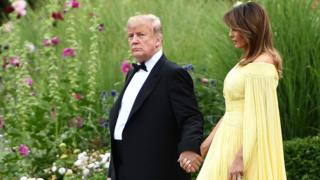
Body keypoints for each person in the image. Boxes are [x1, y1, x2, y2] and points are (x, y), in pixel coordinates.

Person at [194, 2, 287, 180]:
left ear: (251, 29)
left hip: (244, 146)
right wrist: (205, 146)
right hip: (226, 139)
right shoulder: (246, 62)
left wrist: (240, 158)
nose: (231, 34)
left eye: (235, 29)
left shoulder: (263, 64)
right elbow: (232, 110)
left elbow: (263, 118)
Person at [107, 14, 204, 180]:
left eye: (141, 35)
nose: (134, 40)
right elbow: (123, 124)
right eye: (131, 36)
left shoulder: (173, 74)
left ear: (158, 40)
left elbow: (191, 117)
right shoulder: (131, 74)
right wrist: (113, 173)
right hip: (125, 168)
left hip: (158, 169)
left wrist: (189, 148)